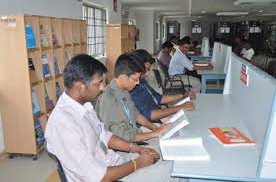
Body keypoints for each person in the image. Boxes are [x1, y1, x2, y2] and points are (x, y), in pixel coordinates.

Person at [45, 54, 168, 182]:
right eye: (98, 84)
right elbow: (99, 177)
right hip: (109, 176)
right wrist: (138, 163)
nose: (102, 87)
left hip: (113, 164)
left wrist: (137, 149)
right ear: (79, 86)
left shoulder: (85, 106)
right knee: (172, 170)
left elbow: (104, 135)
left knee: (165, 154)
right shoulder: (64, 124)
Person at [95, 54, 169, 143]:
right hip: (122, 146)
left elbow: (136, 115)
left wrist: (155, 128)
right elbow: (120, 136)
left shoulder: (124, 90)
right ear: (123, 76)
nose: (137, 83)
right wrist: (154, 134)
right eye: (135, 79)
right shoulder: (108, 98)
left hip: (133, 134)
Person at [131, 49, 195, 122]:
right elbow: (149, 115)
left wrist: (184, 95)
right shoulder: (133, 87)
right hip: (150, 123)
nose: (148, 73)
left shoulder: (142, 81)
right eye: (146, 69)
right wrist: (180, 107)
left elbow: (158, 98)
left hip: (157, 116)